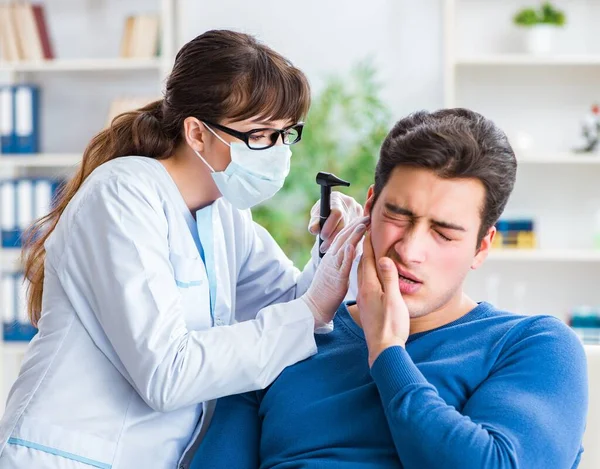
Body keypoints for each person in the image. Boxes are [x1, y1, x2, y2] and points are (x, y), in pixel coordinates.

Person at [0, 30, 368, 469]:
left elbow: (289, 307)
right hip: (66, 456)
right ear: (196, 132)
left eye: (285, 134)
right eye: (260, 135)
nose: (276, 153)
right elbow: (167, 374)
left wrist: (331, 253)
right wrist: (311, 309)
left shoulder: (225, 211)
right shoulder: (122, 196)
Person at [192, 108, 589, 469]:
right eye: (398, 217)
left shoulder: (534, 345)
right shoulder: (283, 338)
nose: (410, 251)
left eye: (444, 234)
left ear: (481, 247)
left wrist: (387, 352)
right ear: (369, 209)